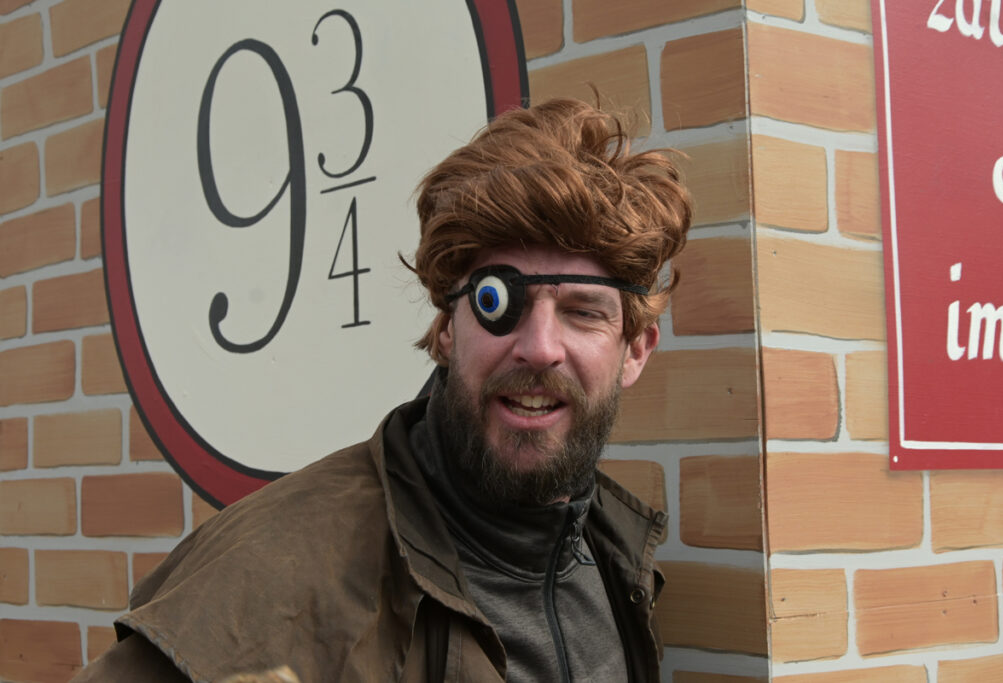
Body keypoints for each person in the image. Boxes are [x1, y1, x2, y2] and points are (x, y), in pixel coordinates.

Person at [74, 98, 692, 683]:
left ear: (635, 350)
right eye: (497, 303)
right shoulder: (272, 583)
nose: (539, 347)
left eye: (584, 312)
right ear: (447, 330)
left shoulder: (614, 561)